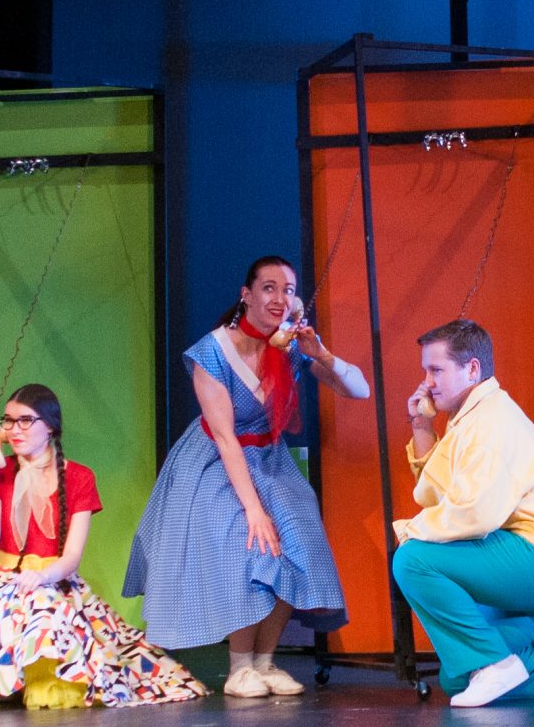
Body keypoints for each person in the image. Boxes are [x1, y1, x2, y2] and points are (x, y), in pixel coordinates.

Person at [125, 256, 369, 699]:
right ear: (247, 295)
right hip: (215, 461)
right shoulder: (212, 352)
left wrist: (321, 353)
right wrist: (254, 509)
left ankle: (264, 662)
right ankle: (239, 667)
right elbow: (224, 437)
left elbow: (359, 390)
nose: (280, 298)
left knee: (298, 542)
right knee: (249, 541)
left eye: (288, 290)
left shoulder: (291, 347)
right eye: (269, 287)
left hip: (269, 459)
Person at [0, 383, 204, 712]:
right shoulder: (3, 472)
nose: (14, 429)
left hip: (54, 579)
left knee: (48, 611)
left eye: (25, 420)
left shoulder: (79, 477)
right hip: (5, 580)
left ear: (49, 425)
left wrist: (43, 576)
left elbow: (72, 557)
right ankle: (6, 680)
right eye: (8, 421)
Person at [392, 318, 534, 707]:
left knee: (412, 560)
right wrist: (421, 424)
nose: (427, 382)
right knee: (458, 677)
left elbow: (475, 514)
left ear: (472, 369)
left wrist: (411, 531)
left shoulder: (489, 423)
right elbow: (441, 493)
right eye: (425, 371)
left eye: (436, 370)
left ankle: (496, 665)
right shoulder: (473, 416)